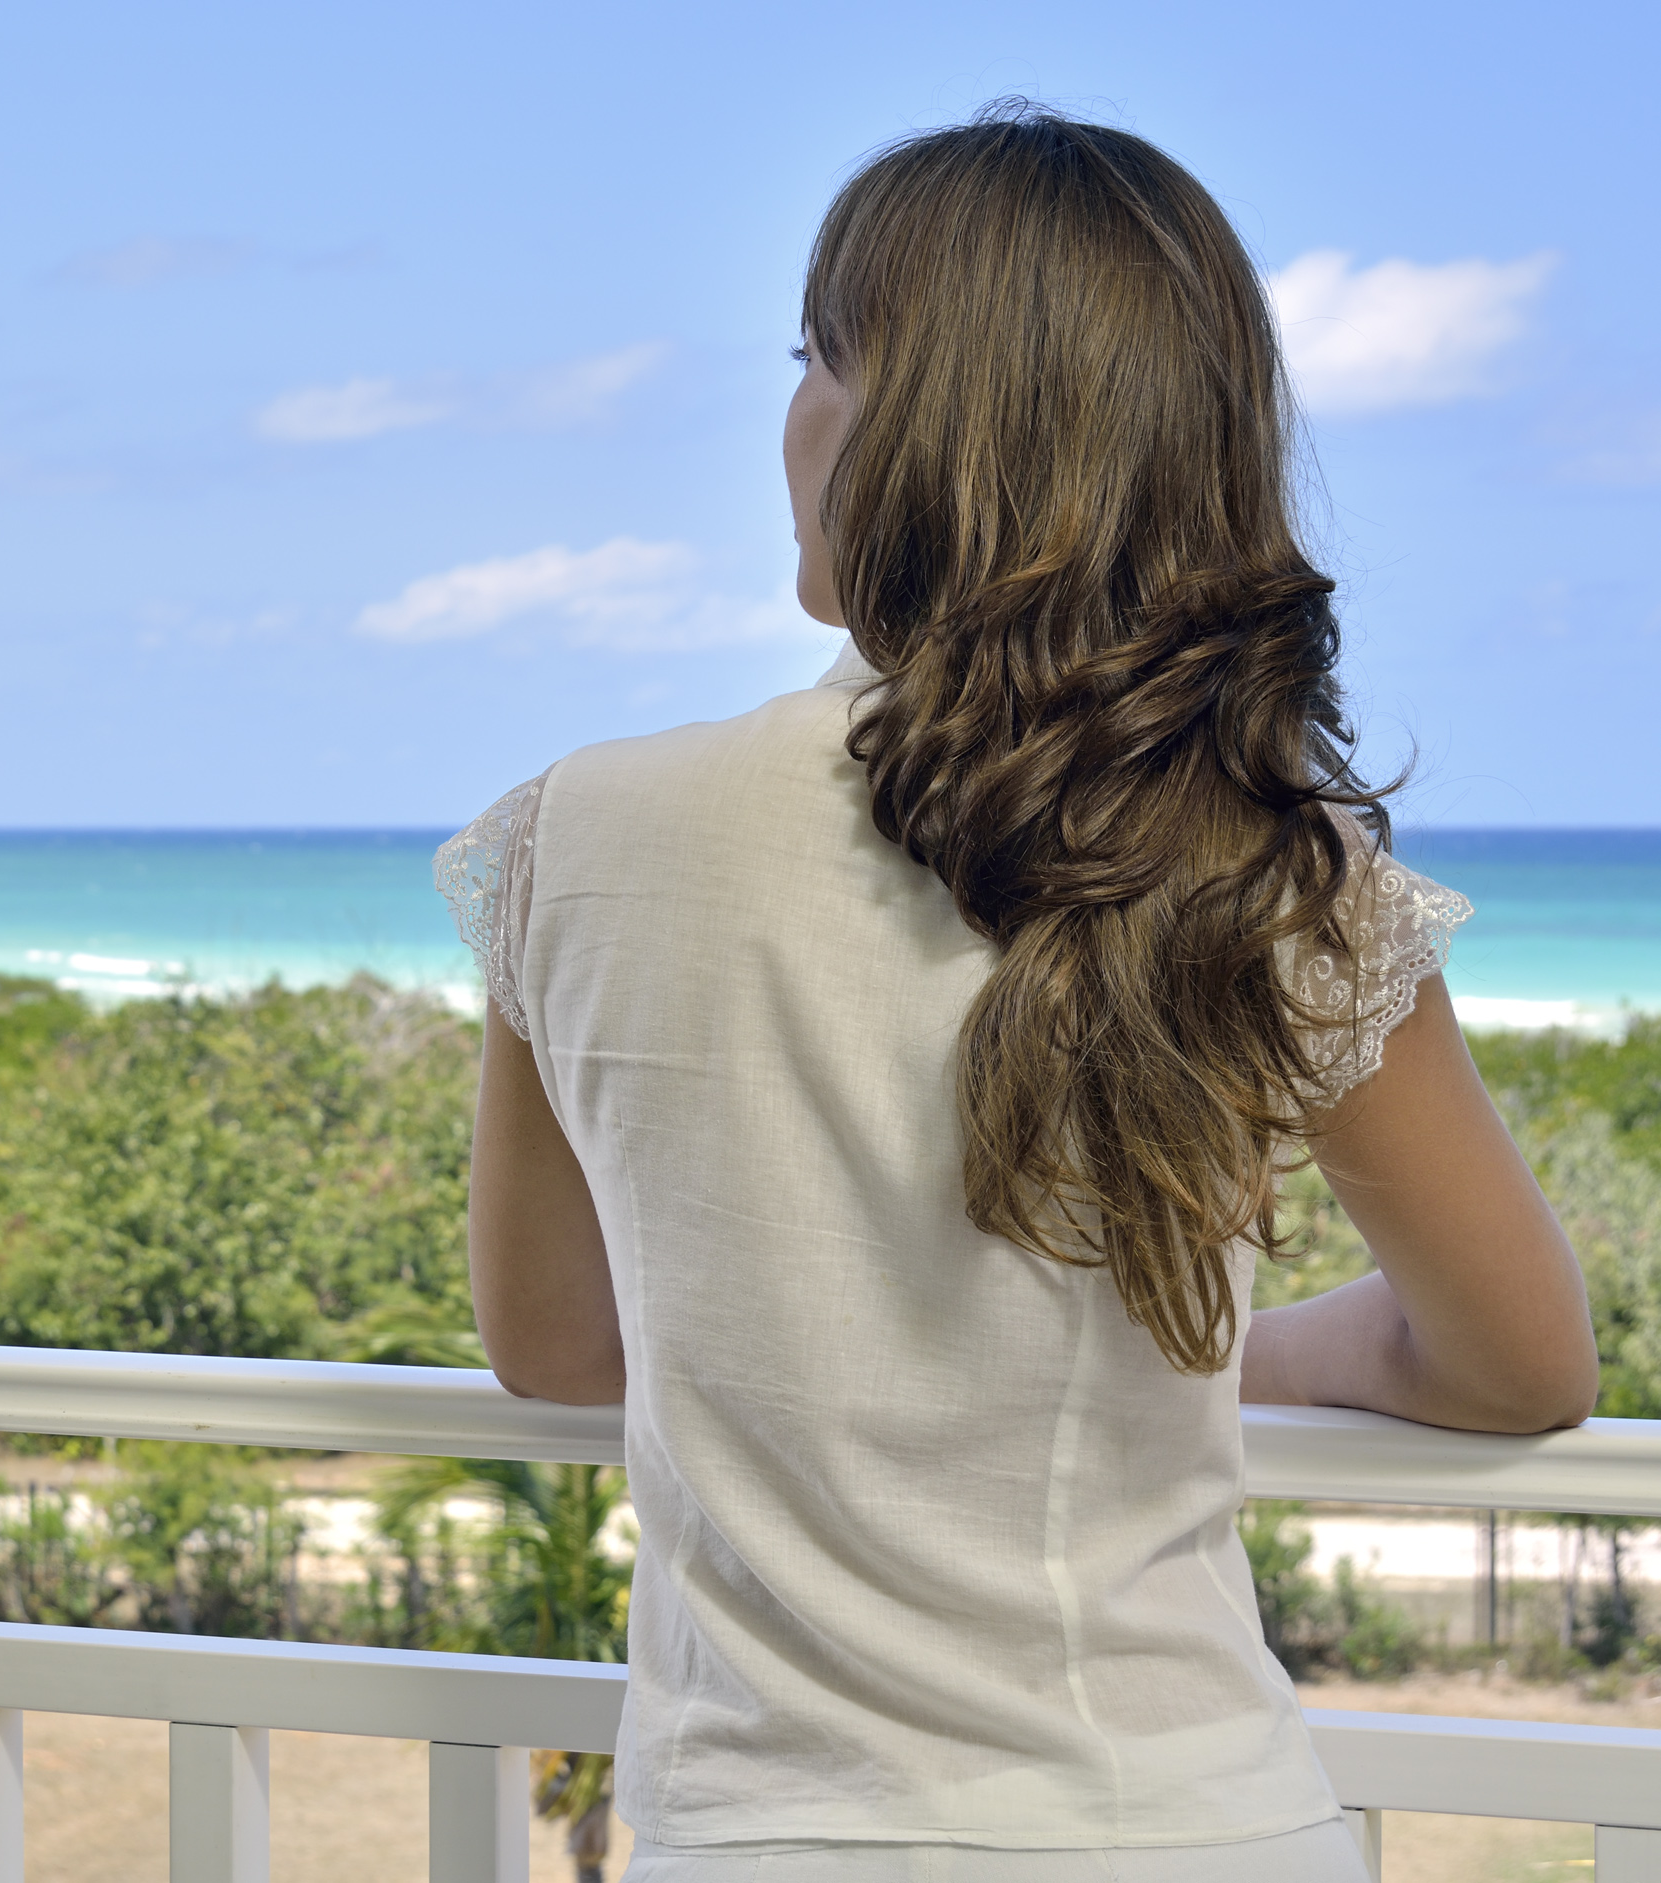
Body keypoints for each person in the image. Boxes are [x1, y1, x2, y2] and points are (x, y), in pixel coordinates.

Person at [436, 104, 1598, 1883]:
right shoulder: (1260, 866)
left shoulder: (575, 834)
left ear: (915, 434)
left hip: (763, 1838)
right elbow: (1517, 1365)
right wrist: (1224, 1350)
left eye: (818, 356)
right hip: (1195, 1826)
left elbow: (558, 1350)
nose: (791, 416)